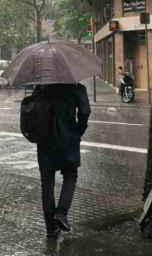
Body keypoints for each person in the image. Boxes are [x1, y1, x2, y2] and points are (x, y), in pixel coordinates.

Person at [35, 83, 90, 239]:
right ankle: (61, 212)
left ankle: (50, 230)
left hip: (45, 140)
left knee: (47, 183)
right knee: (70, 175)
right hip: (69, 138)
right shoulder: (77, 87)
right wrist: (78, 131)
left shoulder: (42, 87)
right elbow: (85, 111)